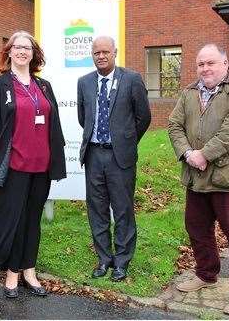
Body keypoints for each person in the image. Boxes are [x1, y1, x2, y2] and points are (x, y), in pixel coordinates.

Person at [168, 43, 229, 316]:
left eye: (210, 63)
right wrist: (187, 153)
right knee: (197, 228)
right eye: (200, 64)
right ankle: (206, 274)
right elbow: (174, 125)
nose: (205, 68)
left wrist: (204, 154)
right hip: (196, 177)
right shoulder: (189, 92)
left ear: (225, 63)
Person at [0, 31, 66, 299]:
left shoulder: (45, 86)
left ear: (33, 53)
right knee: (12, 221)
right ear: (9, 52)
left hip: (41, 167)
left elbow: (53, 125)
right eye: (17, 47)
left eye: (27, 48)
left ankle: (30, 270)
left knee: (32, 221)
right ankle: (12, 274)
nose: (22, 52)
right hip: (13, 165)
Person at [77, 36, 151, 282]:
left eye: (105, 51)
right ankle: (104, 259)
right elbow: (83, 116)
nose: (101, 56)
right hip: (94, 155)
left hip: (120, 158)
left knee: (122, 210)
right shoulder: (84, 82)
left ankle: (121, 261)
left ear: (115, 52)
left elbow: (143, 118)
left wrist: (125, 141)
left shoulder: (131, 80)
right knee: (96, 210)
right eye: (96, 52)